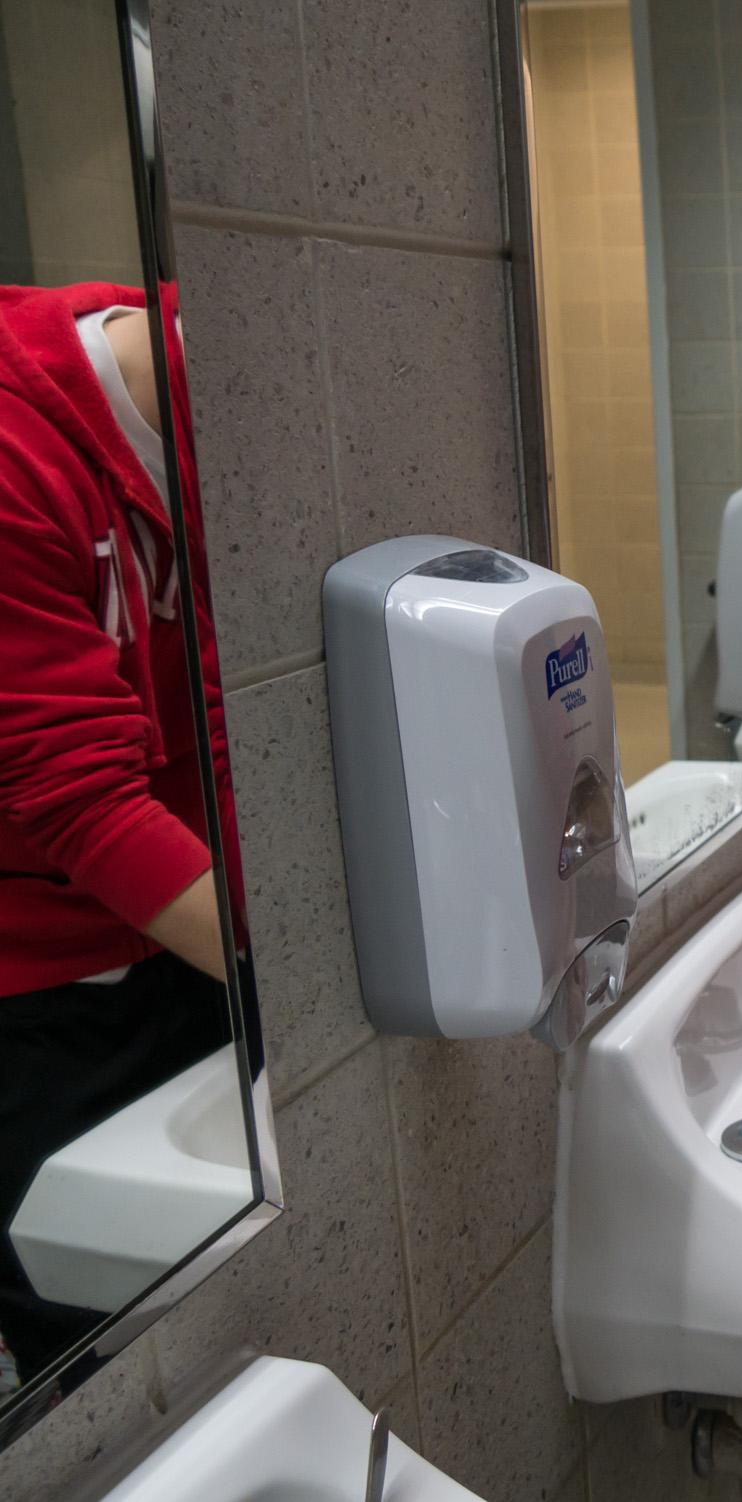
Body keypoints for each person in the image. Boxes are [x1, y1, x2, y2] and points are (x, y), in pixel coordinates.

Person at [0, 282, 238, 1398]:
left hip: (177, 929)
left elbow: (241, 722)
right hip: (32, 981)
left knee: (228, 1296)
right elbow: (80, 800)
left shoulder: (224, 406)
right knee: (100, 1352)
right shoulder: (19, 451)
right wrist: (304, 978)